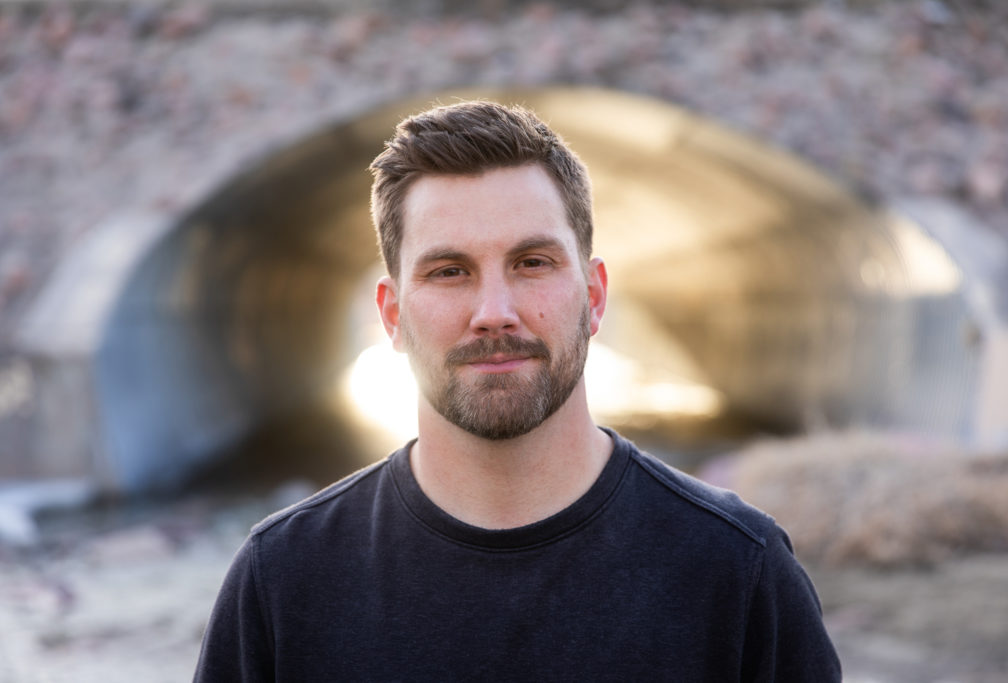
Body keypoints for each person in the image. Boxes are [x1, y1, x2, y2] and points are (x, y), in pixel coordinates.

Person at [194, 100, 841, 681]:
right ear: (391, 314)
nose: (494, 310)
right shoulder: (283, 581)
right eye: (450, 271)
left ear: (593, 296)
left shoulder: (737, 571)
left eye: (532, 263)